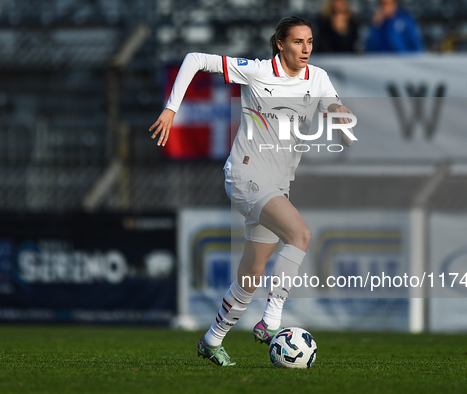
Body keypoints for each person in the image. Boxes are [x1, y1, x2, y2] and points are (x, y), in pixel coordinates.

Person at [149, 16, 354, 367]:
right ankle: (271, 320)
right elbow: (195, 59)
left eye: (309, 42)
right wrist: (171, 109)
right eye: (297, 42)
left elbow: (331, 105)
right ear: (280, 44)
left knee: (250, 275)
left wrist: (340, 113)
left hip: (277, 185)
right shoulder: (257, 71)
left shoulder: (317, 77)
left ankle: (211, 340)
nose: (305, 49)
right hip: (246, 174)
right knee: (300, 234)